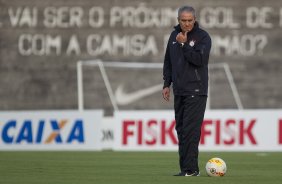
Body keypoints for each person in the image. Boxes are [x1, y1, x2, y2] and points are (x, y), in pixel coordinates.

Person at [162, 5, 211, 176]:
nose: (187, 24)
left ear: (195, 20)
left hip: (196, 91)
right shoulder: (173, 36)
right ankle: (185, 169)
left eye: (190, 20)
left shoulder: (203, 37)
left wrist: (184, 45)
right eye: (183, 20)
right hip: (180, 91)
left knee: (191, 131)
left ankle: (192, 170)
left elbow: (199, 59)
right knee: (181, 131)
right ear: (178, 20)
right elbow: (168, 61)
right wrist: (166, 84)